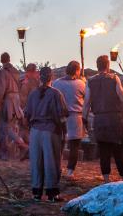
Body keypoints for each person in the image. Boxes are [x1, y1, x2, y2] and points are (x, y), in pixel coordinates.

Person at [82, 55, 123, 183]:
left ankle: (106, 181)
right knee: (118, 151)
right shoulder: (114, 78)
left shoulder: (90, 81)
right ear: (108, 65)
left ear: (97, 66)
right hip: (113, 119)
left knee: (104, 151)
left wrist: (84, 120)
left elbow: (86, 103)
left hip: (99, 120)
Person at [25, 67, 68, 202]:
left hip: (35, 132)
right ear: (51, 77)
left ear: (40, 77)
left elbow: (27, 114)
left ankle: (37, 193)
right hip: (50, 131)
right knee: (51, 162)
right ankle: (52, 194)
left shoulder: (32, 94)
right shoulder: (56, 94)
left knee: (36, 162)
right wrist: (63, 130)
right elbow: (62, 115)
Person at [52, 61, 86, 179]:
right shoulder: (81, 84)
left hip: (60, 117)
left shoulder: (56, 83)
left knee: (59, 145)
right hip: (75, 116)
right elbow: (87, 99)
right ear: (77, 70)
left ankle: (57, 168)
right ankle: (70, 171)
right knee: (74, 146)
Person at [0, 52, 28, 161]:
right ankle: (2, 154)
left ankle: (23, 146)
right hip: (16, 101)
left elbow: (1, 90)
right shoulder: (16, 72)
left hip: (8, 101)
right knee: (5, 128)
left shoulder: (3, 72)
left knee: (5, 127)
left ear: (1, 60)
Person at [19, 63, 40, 160]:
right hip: (36, 110)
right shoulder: (38, 82)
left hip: (30, 111)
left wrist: (23, 111)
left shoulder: (26, 83)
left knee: (26, 132)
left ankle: (30, 150)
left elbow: (23, 100)